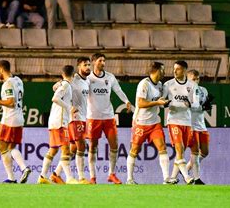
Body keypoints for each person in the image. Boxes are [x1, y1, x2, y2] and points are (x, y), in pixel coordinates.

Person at [86, 53, 132, 184]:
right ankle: (93, 177)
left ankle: (112, 174)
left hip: (109, 117)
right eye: (100, 60)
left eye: (104, 61)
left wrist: (126, 101)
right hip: (93, 117)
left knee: (114, 145)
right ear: (94, 62)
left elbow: (118, 90)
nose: (103, 63)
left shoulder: (110, 77)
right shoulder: (88, 78)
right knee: (92, 147)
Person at [0, 60, 32, 183]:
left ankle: (14, 174)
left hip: (9, 119)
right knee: (11, 147)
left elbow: (11, 102)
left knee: (2, 146)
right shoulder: (18, 80)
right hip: (19, 118)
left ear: (1, 69)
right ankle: (22, 170)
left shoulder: (7, 84)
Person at [126, 62, 173, 185]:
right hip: (141, 122)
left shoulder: (160, 85)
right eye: (162, 70)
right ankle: (129, 179)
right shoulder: (144, 84)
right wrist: (157, 103)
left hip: (154, 122)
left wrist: (164, 103)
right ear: (156, 70)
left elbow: (159, 102)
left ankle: (166, 179)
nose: (164, 72)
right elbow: (140, 103)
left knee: (162, 147)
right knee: (134, 150)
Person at [51, 57, 92, 185]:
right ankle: (81, 178)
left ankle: (55, 174)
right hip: (74, 118)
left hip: (83, 117)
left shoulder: (88, 81)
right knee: (81, 146)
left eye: (89, 65)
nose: (88, 67)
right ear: (79, 66)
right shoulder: (73, 80)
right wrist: (57, 84)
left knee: (73, 148)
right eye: (85, 65)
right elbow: (56, 87)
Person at [37, 65, 79, 184]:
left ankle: (42, 176)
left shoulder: (64, 84)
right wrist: (69, 107)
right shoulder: (65, 85)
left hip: (55, 120)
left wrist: (58, 83)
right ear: (73, 74)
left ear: (62, 74)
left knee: (53, 150)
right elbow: (55, 98)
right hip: (60, 121)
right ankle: (70, 178)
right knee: (66, 149)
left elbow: (54, 87)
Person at [162, 60, 199, 185]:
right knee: (179, 148)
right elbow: (162, 102)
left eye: (177, 69)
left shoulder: (193, 85)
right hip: (173, 120)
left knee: (181, 151)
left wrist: (190, 104)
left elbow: (196, 104)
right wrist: (165, 103)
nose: (174, 71)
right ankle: (187, 176)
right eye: (174, 69)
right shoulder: (168, 84)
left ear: (184, 70)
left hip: (186, 121)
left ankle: (171, 178)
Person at [186, 69, 213, 185]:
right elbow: (187, 107)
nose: (196, 81)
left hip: (202, 125)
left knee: (205, 152)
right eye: (193, 79)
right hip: (191, 125)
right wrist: (202, 107)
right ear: (188, 79)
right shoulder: (185, 91)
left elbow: (205, 106)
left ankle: (186, 169)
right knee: (195, 152)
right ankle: (197, 178)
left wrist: (207, 107)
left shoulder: (203, 90)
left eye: (197, 79)